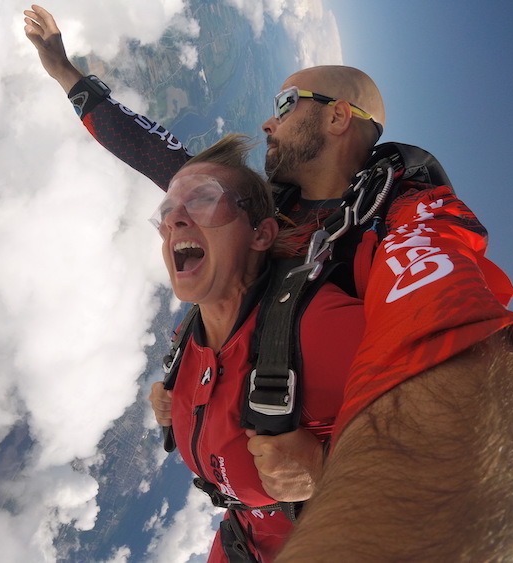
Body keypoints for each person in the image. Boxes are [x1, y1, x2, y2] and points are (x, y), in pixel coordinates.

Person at [24, 5, 513, 560]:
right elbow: (161, 157)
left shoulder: (408, 222)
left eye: (285, 104)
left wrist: (331, 466)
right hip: (237, 536)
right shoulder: (270, 213)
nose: (267, 121)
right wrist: (64, 72)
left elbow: (465, 372)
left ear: (338, 118)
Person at [140, 133, 366, 561]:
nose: (174, 221)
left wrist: (327, 469)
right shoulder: (186, 336)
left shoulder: (319, 330)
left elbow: (476, 437)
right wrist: (173, 403)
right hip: (237, 540)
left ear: (261, 234)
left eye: (204, 200)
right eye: (166, 213)